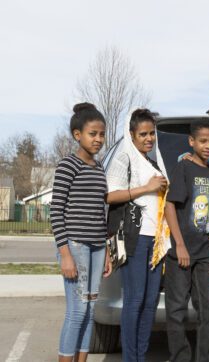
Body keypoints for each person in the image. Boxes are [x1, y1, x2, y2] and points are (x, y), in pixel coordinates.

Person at [51, 102, 112, 362]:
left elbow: (101, 213)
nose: (98, 139)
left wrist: (107, 250)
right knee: (77, 312)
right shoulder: (68, 165)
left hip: (98, 248)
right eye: (92, 134)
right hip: (75, 247)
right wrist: (65, 254)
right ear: (78, 135)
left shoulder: (99, 169)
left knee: (90, 311)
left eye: (101, 134)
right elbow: (56, 212)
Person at [106, 108, 169, 362]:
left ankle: (140, 356)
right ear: (131, 135)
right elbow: (110, 195)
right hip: (135, 239)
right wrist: (147, 187)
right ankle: (130, 359)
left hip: (156, 242)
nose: (149, 138)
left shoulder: (152, 162)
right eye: (143, 134)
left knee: (150, 301)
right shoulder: (125, 158)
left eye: (152, 133)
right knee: (134, 300)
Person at [165, 119, 209, 362]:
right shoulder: (184, 168)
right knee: (176, 311)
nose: (208, 145)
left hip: (204, 254)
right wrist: (179, 245)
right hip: (182, 252)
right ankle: (180, 358)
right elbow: (169, 206)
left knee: (207, 312)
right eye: (203, 141)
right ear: (192, 142)